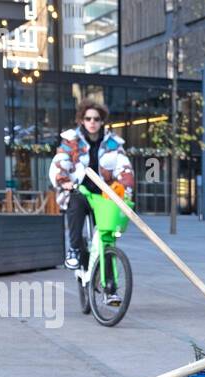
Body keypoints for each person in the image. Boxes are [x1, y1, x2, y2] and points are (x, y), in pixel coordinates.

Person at [48, 98, 135, 299]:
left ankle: (110, 289)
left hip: (104, 196)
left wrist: (125, 187)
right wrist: (64, 180)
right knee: (76, 207)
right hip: (80, 191)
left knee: (107, 239)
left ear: (102, 120)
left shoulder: (113, 143)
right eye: (88, 118)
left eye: (96, 118)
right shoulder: (72, 141)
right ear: (82, 120)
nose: (92, 122)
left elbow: (124, 167)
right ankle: (75, 251)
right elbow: (60, 162)